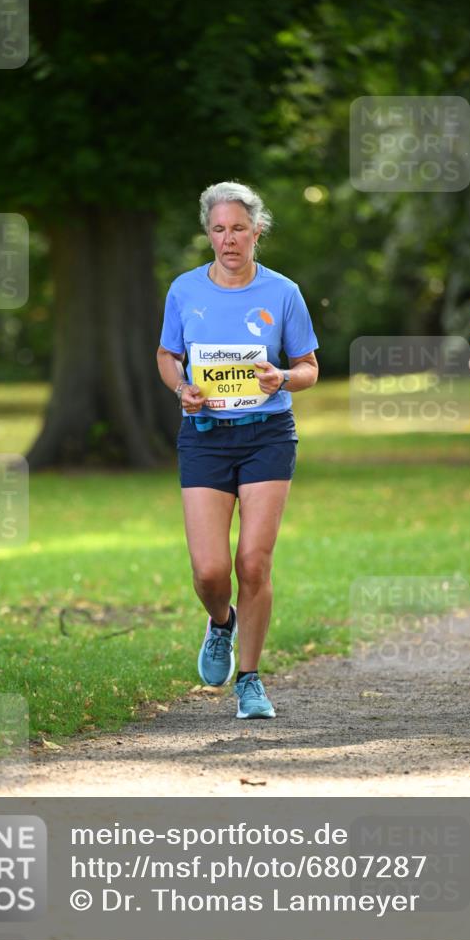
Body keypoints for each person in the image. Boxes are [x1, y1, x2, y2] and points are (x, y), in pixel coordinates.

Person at [157, 181, 319, 719]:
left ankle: (249, 681)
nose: (229, 240)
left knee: (253, 561)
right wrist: (182, 389)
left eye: (239, 229)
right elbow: (166, 355)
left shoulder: (283, 292)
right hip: (205, 437)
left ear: (257, 232)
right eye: (219, 230)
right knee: (209, 570)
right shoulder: (184, 290)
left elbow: (310, 369)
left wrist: (283, 377)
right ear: (209, 233)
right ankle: (221, 622)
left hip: (267, 436)